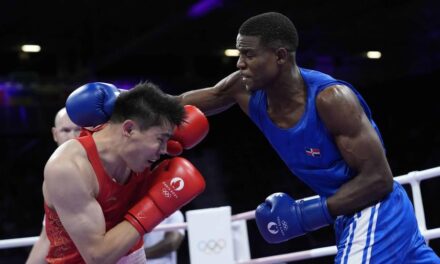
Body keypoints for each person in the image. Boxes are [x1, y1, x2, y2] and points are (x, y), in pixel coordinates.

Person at [177, 12, 440, 263]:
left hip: (377, 210)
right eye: (239, 53)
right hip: (349, 216)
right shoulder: (242, 90)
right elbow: (177, 104)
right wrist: (137, 103)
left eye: (249, 54)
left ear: (280, 56)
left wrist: (305, 215)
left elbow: (379, 180)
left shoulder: (332, 100)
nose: (239, 62)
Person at [29, 81, 208, 264]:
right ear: (129, 129)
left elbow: (219, 94)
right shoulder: (69, 168)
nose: (164, 150)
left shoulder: (135, 151)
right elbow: (97, 256)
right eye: (160, 139)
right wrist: (155, 206)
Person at [26, 107, 81, 264]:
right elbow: (47, 237)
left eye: (78, 129)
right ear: (55, 134)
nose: (72, 136)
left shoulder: (106, 168)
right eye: (65, 130)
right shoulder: (55, 175)